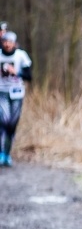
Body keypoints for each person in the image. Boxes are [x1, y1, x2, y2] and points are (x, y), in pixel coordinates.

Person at [0, 31, 32, 167]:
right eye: (5, 41)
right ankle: (1, 152)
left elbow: (29, 76)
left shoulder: (21, 56)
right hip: (2, 92)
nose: (7, 44)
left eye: (10, 42)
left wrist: (16, 72)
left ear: (14, 43)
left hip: (17, 94)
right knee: (4, 121)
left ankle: (7, 153)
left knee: (12, 125)